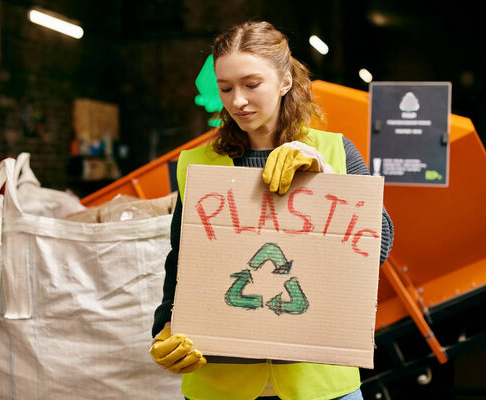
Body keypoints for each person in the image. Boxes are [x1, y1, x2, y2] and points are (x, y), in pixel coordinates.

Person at [150, 21, 394, 400]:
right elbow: (181, 258)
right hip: (221, 381)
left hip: (317, 381)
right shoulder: (199, 164)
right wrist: (165, 325)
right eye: (226, 88)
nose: (237, 102)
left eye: (251, 84)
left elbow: (375, 248)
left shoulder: (335, 153)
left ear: (284, 82)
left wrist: (324, 178)